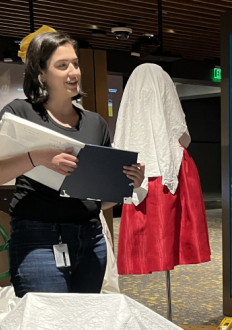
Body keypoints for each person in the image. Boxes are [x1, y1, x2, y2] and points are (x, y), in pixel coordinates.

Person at [0, 26, 145, 297]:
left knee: (82, 320)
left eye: (75, 64)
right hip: (37, 238)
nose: (73, 72)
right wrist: (37, 158)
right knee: (48, 321)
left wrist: (127, 183)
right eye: (62, 65)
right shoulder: (19, 114)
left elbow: (102, 200)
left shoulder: (95, 123)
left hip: (90, 239)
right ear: (41, 73)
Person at [113, 63, 210, 275]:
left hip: (141, 172)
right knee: (172, 235)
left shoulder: (130, 108)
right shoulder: (164, 85)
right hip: (172, 169)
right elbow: (181, 133)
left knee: (151, 240)